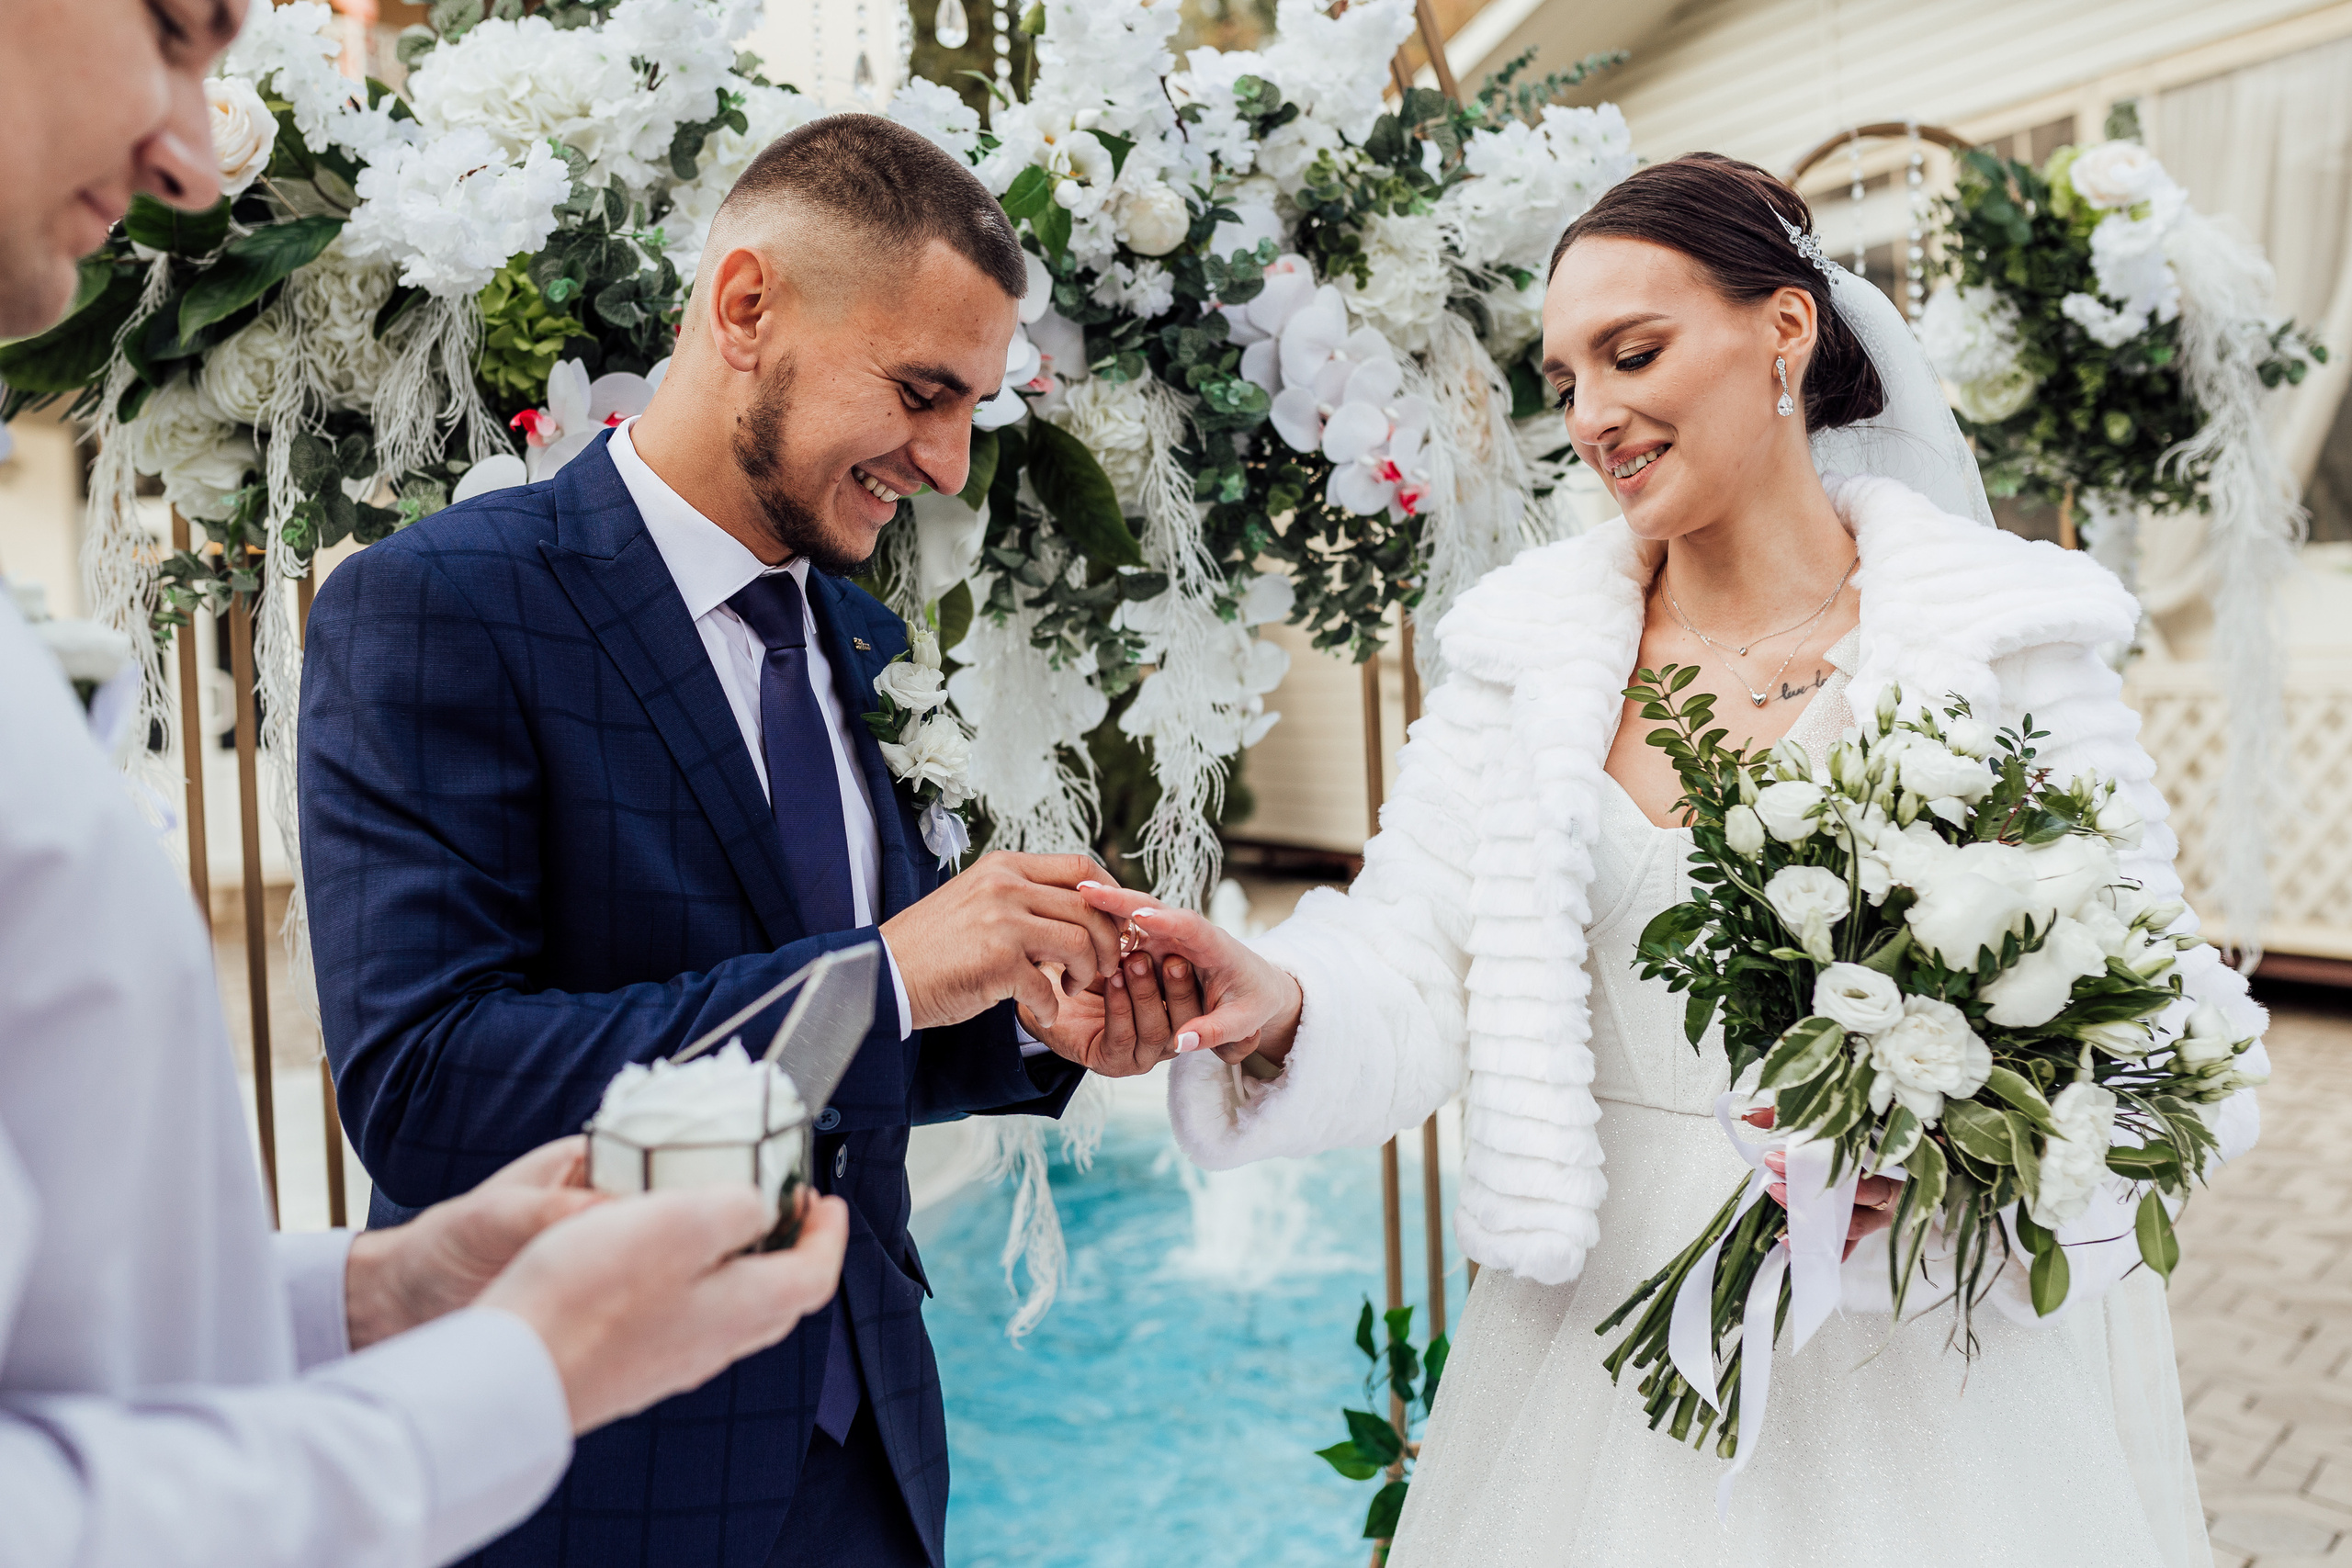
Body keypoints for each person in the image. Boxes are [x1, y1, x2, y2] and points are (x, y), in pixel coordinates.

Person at [1075, 154, 2271, 1566]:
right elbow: (1409, 962)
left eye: (1632, 354)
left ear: (1786, 330)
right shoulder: (1521, 663)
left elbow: (2163, 1030)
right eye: (1567, 377)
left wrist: (1965, 1172)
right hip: (1602, 1338)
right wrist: (1275, 1002)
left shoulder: (2009, 644)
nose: (1592, 415)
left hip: (1919, 1368)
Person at [0, 7, 852, 1564]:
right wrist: (505, 1386)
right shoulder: (439, 600)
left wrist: (371, 1294)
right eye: (177, 32)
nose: (193, 161)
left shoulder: (852, 617)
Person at [299, 112, 1160, 1568]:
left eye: (970, 411)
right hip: (586, 1477)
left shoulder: (851, 629)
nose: (948, 465)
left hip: (866, 1457)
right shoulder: (437, 606)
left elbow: (823, 1046)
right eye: (921, 392)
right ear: (747, 307)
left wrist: (1023, 1018)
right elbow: (427, 1084)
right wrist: (886, 973)